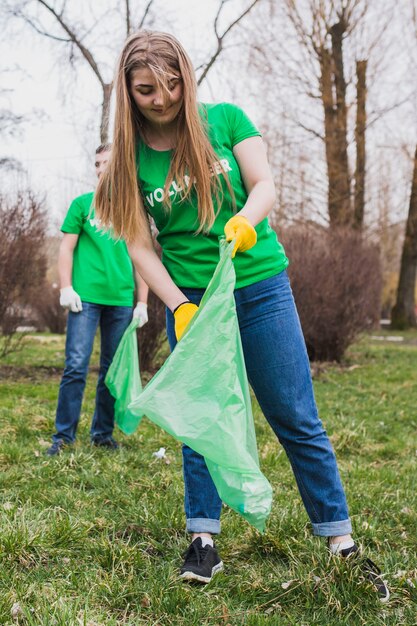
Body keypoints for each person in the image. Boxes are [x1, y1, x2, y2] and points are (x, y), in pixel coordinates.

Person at [94, 31, 389, 601]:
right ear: (128, 93)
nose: (164, 98)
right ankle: (203, 539)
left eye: (173, 83)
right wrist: (177, 304)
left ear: (187, 75)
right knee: (201, 420)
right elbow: (138, 245)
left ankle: (341, 541)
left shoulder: (224, 121)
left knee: (295, 414)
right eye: (147, 89)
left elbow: (264, 185)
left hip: (258, 288)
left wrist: (248, 220)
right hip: (194, 305)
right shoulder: (128, 161)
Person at [46, 144, 149, 456]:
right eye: (97, 163)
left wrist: (142, 302)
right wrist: (66, 287)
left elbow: (144, 259)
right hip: (84, 300)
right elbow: (66, 248)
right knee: (76, 366)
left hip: (120, 300)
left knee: (110, 370)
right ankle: (63, 437)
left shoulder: (133, 209)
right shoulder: (82, 205)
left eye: (107, 162)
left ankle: (102, 435)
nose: (101, 168)